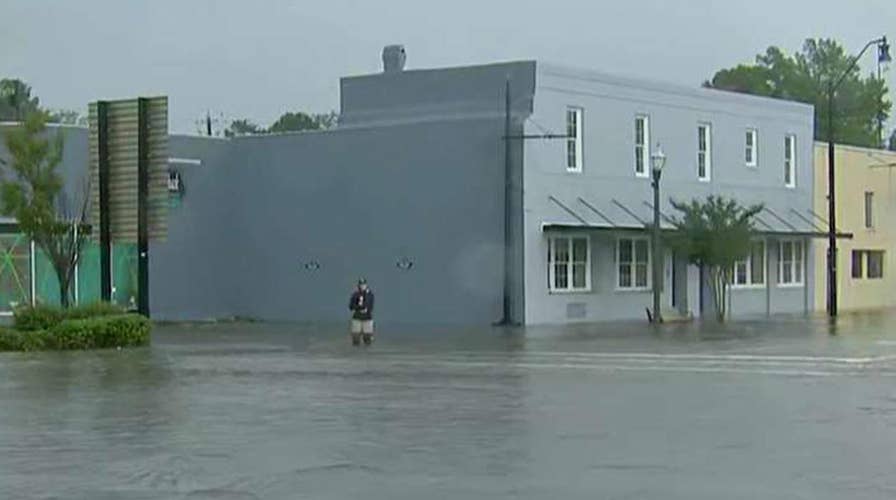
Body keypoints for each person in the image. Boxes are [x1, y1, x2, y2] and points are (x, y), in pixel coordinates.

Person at [348, 278, 375, 346]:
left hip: (367, 318)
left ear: (366, 285)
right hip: (357, 317)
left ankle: (367, 354)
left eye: (363, 284)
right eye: (361, 284)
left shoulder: (370, 294)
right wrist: (358, 307)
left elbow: (370, 306)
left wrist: (365, 308)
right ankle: (355, 354)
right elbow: (351, 306)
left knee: (367, 339)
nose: (362, 286)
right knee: (356, 339)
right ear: (359, 285)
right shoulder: (355, 294)